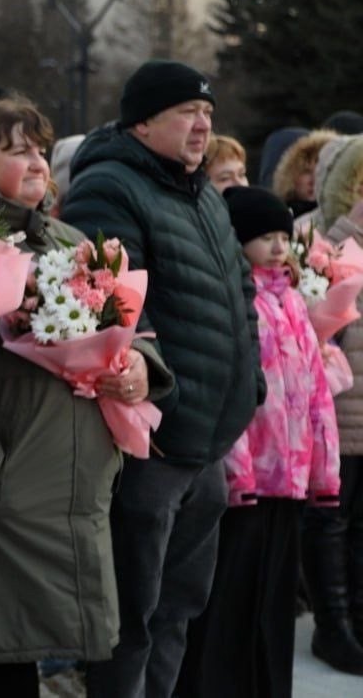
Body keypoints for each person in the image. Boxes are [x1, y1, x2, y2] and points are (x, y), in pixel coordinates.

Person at [0, 101, 171, 698]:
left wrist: (137, 371)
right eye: (18, 150)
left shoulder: (66, 240)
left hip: (55, 503)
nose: (37, 163)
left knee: (15, 668)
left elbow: (132, 330)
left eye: (42, 151)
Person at [63, 59, 264, 698]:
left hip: (208, 441)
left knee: (178, 609)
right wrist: (157, 389)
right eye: (187, 112)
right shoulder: (108, 187)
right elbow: (113, 301)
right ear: (143, 123)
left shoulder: (203, 193)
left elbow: (241, 292)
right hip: (150, 441)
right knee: (131, 620)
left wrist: (251, 383)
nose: (203, 125)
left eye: (207, 112)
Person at [178, 186, 339, 698]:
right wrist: (239, 471)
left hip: (289, 479)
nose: (277, 247)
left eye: (283, 237)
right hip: (246, 481)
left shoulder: (293, 300)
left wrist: (323, 471)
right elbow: (234, 390)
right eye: (264, 236)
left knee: (274, 600)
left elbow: (316, 393)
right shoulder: (235, 299)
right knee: (232, 598)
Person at [296, 134, 363, 675]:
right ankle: (332, 627)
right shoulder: (317, 234)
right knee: (330, 521)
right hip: (338, 407)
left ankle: (358, 620)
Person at [272, 128, 337, 218]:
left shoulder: (350, 216)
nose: (314, 180)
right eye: (306, 172)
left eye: (322, 171)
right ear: (289, 178)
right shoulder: (277, 218)